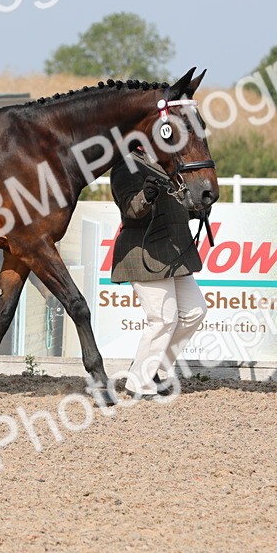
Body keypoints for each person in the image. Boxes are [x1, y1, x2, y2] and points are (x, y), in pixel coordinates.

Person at [109, 148, 207, 400]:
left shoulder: (169, 161)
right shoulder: (126, 164)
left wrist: (197, 208)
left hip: (175, 249)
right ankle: (138, 382)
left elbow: (177, 205)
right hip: (145, 250)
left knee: (195, 310)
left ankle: (149, 368)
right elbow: (129, 209)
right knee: (162, 318)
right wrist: (146, 196)